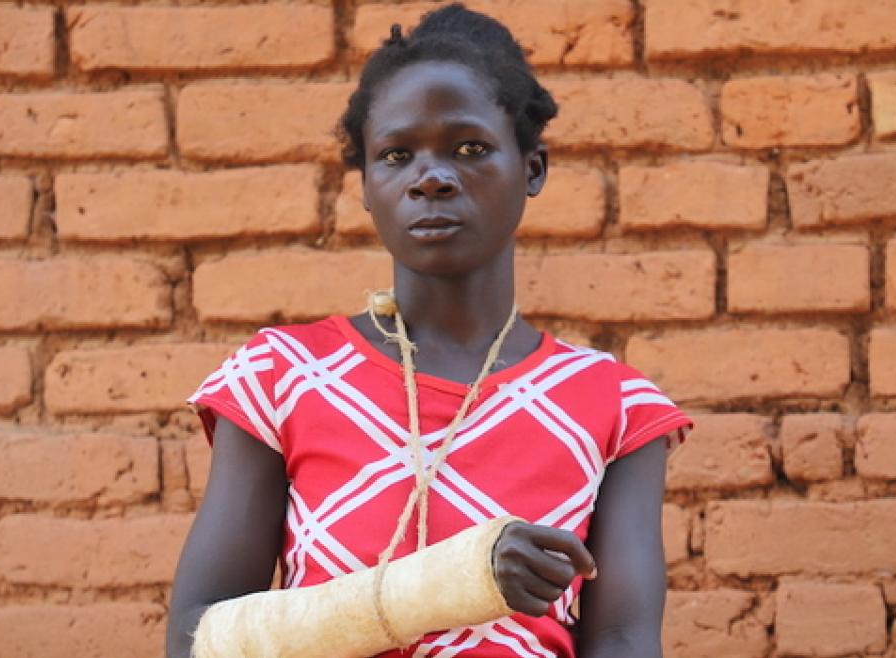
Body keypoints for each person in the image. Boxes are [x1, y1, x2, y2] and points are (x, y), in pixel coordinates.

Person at [165, 5, 692, 657]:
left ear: (532, 167)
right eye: (396, 154)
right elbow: (197, 639)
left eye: (469, 148)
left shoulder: (614, 403)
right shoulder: (280, 376)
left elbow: (623, 639)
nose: (432, 178)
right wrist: (459, 578)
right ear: (365, 183)